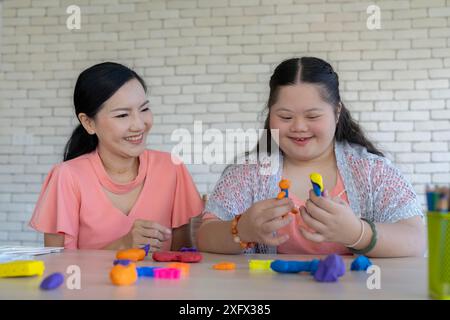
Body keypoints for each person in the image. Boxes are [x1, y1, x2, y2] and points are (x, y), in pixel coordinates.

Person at [197, 57, 425, 257]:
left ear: (336, 113)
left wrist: (358, 233)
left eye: (313, 116)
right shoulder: (247, 173)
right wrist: (241, 229)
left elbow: (417, 238)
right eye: (285, 117)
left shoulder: (372, 171)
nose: (299, 127)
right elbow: (204, 236)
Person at [29, 62, 204, 251]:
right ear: (88, 123)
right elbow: (59, 269)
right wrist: (123, 245)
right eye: (122, 115)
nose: (139, 125)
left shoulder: (171, 168)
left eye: (144, 109)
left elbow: (182, 257)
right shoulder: (67, 177)